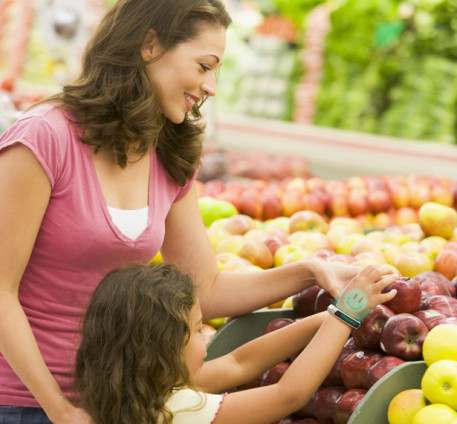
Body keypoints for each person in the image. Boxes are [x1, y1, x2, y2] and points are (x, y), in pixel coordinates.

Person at [0, 0, 371, 422]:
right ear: (150, 46)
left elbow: (205, 290)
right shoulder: (45, 138)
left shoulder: (167, 156)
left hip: (118, 403)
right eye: (203, 65)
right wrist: (60, 409)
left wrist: (311, 271)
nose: (211, 85)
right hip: (22, 403)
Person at [75, 262, 398, 424]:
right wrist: (347, 314)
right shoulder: (177, 410)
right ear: (162, 348)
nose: (209, 334)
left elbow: (238, 364)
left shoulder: (134, 389)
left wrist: (326, 320)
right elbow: (288, 396)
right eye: (198, 330)